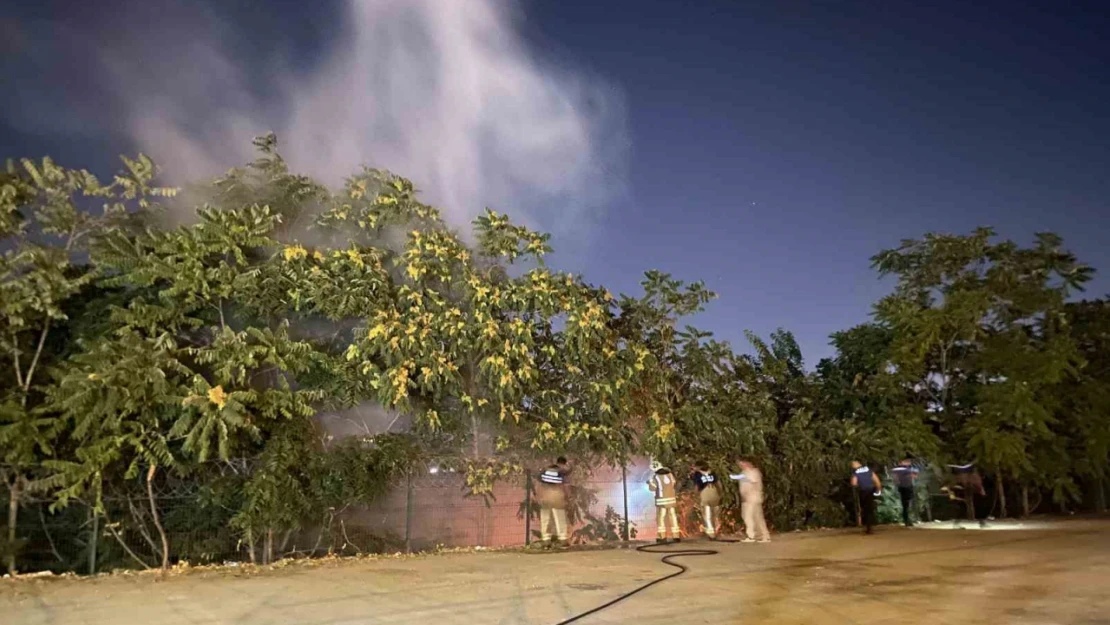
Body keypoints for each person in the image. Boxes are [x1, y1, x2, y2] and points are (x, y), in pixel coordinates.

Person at [729, 459, 770, 543]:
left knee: (750, 517)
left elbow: (753, 482)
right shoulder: (745, 473)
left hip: (752, 498)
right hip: (748, 499)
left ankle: (753, 536)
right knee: (754, 517)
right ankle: (761, 535)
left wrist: (747, 494)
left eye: (742, 463)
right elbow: (740, 478)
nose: (740, 465)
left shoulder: (752, 472)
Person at [536, 457, 571, 546]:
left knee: (545, 519)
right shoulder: (562, 472)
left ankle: (546, 540)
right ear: (563, 464)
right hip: (556, 496)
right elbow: (565, 486)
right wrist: (568, 497)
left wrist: (539, 496)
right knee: (560, 517)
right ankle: (563, 539)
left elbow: (539, 483)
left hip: (545, 495)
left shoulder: (545, 470)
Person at [647, 461, 680, 543]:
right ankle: (676, 536)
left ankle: (662, 537)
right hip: (671, 499)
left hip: (662, 501)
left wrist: (650, 483)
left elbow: (652, 488)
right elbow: (674, 484)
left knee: (661, 518)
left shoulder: (656, 477)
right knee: (673, 516)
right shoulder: (670, 475)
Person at [947, 463, 987, 528]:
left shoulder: (970, 476)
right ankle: (957, 524)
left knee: (977, 508)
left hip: (972, 492)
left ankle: (981, 522)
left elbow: (976, 484)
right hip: (966, 493)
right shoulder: (966, 476)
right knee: (962, 509)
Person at [689, 460, 722, 539]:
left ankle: (711, 534)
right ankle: (715, 530)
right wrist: (720, 494)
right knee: (714, 514)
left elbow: (697, 486)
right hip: (714, 492)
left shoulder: (698, 474)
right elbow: (719, 484)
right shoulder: (712, 473)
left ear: (698, 467)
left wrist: (696, 496)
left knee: (707, 515)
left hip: (705, 493)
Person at [851, 461, 881, 534]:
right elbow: (876, 480)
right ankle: (870, 525)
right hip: (871, 490)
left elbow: (853, 483)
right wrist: (878, 489)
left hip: (863, 491)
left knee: (865, 509)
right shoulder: (868, 470)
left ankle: (868, 527)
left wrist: (856, 487)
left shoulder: (856, 473)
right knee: (870, 508)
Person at [891, 457, 919, 527]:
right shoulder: (904, 470)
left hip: (906, 487)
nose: (908, 463)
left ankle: (908, 520)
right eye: (906, 461)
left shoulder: (905, 470)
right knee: (906, 504)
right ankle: (907, 520)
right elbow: (915, 475)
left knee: (907, 504)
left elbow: (915, 475)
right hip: (905, 487)